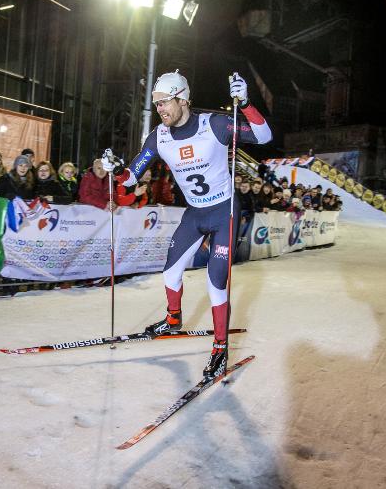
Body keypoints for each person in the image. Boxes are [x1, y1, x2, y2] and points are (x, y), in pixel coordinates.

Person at [103, 70, 272, 380]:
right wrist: (116, 171)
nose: (160, 110)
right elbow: (132, 174)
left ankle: (220, 349)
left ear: (182, 99)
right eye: (156, 105)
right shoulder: (159, 136)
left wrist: (246, 102)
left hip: (223, 211)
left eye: (165, 102)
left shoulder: (215, 124)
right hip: (195, 213)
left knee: (215, 282)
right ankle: (173, 318)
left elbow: (264, 136)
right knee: (170, 270)